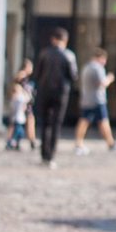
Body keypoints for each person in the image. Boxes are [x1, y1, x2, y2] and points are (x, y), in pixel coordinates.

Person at [33, 27, 77, 167]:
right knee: (56, 124)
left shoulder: (44, 53)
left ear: (53, 39)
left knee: (45, 124)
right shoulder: (69, 55)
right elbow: (73, 76)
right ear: (65, 40)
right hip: (60, 93)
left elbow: (37, 74)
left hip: (45, 92)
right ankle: (51, 156)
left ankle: (44, 155)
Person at [74, 48, 115, 155]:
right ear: (101, 58)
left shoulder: (86, 67)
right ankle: (110, 143)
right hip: (97, 99)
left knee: (84, 121)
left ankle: (79, 143)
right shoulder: (98, 68)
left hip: (86, 99)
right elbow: (103, 83)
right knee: (104, 121)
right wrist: (110, 78)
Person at [5, 77, 31, 150]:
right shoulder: (18, 98)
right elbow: (27, 98)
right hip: (18, 118)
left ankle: (13, 143)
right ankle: (13, 143)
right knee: (19, 132)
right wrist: (25, 91)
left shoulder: (14, 99)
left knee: (16, 132)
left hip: (16, 118)